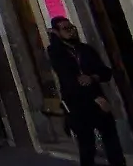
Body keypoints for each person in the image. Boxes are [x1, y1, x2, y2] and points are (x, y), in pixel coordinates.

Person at [47, 17, 126, 166]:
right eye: (65, 29)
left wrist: (93, 77)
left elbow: (105, 72)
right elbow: (68, 77)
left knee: (111, 138)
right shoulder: (55, 51)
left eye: (71, 28)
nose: (70, 31)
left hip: (98, 101)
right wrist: (95, 97)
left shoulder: (85, 49)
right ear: (57, 32)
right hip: (78, 103)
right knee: (86, 145)